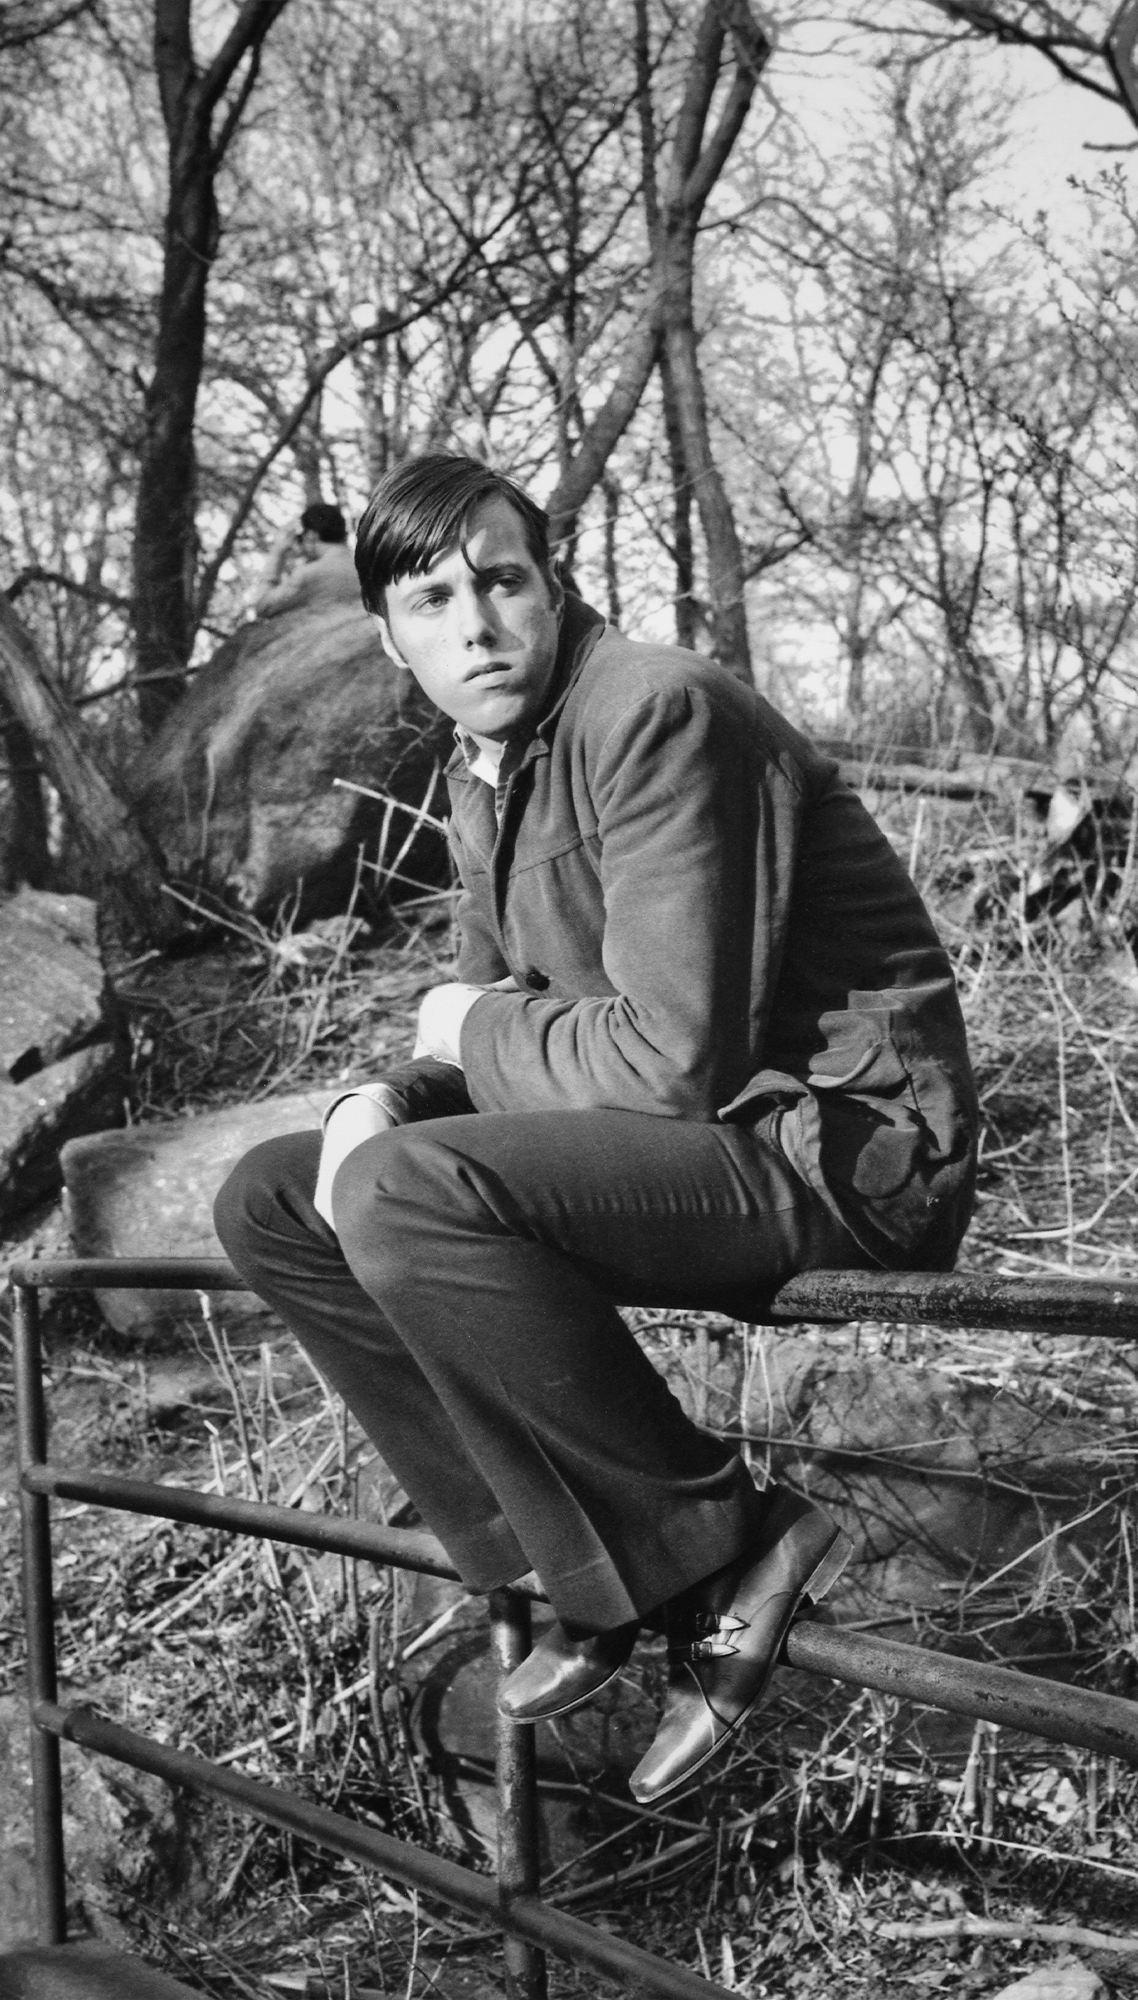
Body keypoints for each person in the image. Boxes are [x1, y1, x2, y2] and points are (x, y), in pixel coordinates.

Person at [213, 454, 979, 1805]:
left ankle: (729, 1541)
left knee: (404, 1194)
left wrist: (455, 1044)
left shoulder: (655, 712)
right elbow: (500, 1028)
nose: (477, 625)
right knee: (280, 1199)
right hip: (705, 1143)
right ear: (391, 638)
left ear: (554, 586)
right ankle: (555, 1563)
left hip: (837, 1147)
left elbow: (671, 1056)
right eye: (434, 599)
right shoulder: (490, 767)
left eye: (503, 581)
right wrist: (374, 1098)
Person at [249, 500, 361, 619]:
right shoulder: (369, 566)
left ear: (311, 535)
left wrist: (277, 553)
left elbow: (263, 606)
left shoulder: (308, 575)